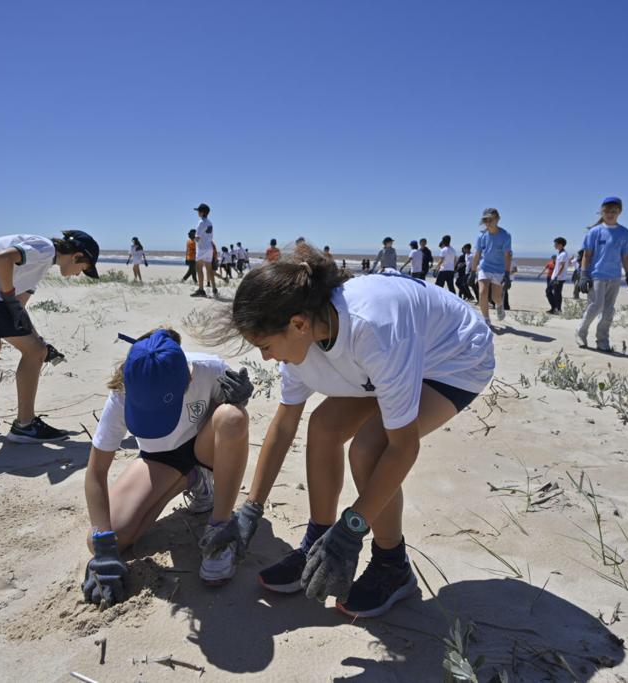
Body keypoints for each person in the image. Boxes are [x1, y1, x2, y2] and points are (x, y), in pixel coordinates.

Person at [197, 243, 495, 618]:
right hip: (394, 357)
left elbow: (403, 448)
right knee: (322, 427)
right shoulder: (302, 332)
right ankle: (317, 541)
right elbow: (285, 424)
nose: (266, 358)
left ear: (299, 325)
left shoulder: (373, 329)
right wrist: (250, 511)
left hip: (454, 357)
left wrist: (352, 529)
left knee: (369, 448)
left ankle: (392, 564)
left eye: (265, 346)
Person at [81, 328, 254, 605]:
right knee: (105, 537)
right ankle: (194, 481)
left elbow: (231, 432)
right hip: (160, 459)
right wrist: (103, 547)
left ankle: (220, 526)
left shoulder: (210, 369)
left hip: (205, 448)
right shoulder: (122, 394)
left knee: (232, 416)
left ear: (188, 379)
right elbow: (96, 472)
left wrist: (241, 399)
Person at [0, 230, 101, 441]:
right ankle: (25, 425)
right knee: (34, 353)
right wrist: (8, 298)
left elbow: (19, 313)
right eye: (85, 267)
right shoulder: (45, 249)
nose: (79, 273)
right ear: (76, 256)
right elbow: (2, 258)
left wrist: (41, 341)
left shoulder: (38, 267)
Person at [575, 197, 628, 352]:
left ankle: (602, 340)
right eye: (607, 211)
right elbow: (587, 255)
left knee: (609, 310)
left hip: (615, 276)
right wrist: (583, 275)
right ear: (602, 212)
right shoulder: (595, 232)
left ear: (620, 212)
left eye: (614, 211)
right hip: (596, 274)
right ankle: (581, 332)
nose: (610, 214)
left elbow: (625, 256)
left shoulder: (624, 233)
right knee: (595, 306)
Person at [468, 208, 512, 326]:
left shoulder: (505, 235)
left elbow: (508, 255)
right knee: (482, 292)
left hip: (499, 269)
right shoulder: (481, 236)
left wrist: (507, 274)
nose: (488, 222)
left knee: (495, 297)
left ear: (497, 219)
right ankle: (486, 320)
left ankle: (499, 305)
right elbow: (477, 255)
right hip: (485, 267)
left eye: (490, 219)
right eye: (485, 220)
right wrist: (472, 272)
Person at [191, 203, 218, 298]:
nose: (197, 212)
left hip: (202, 247)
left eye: (198, 211)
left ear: (202, 212)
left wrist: (193, 238)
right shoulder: (210, 222)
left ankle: (201, 290)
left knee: (199, 268)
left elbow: (197, 238)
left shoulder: (201, 222)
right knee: (209, 269)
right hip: (209, 247)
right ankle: (214, 288)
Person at [547, 238, 569, 314]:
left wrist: (557, 276)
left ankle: (557, 309)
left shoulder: (563, 254)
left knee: (557, 293)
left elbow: (562, 266)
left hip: (559, 278)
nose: (554, 245)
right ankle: (554, 308)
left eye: (555, 244)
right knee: (549, 291)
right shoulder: (559, 253)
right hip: (555, 276)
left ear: (560, 244)